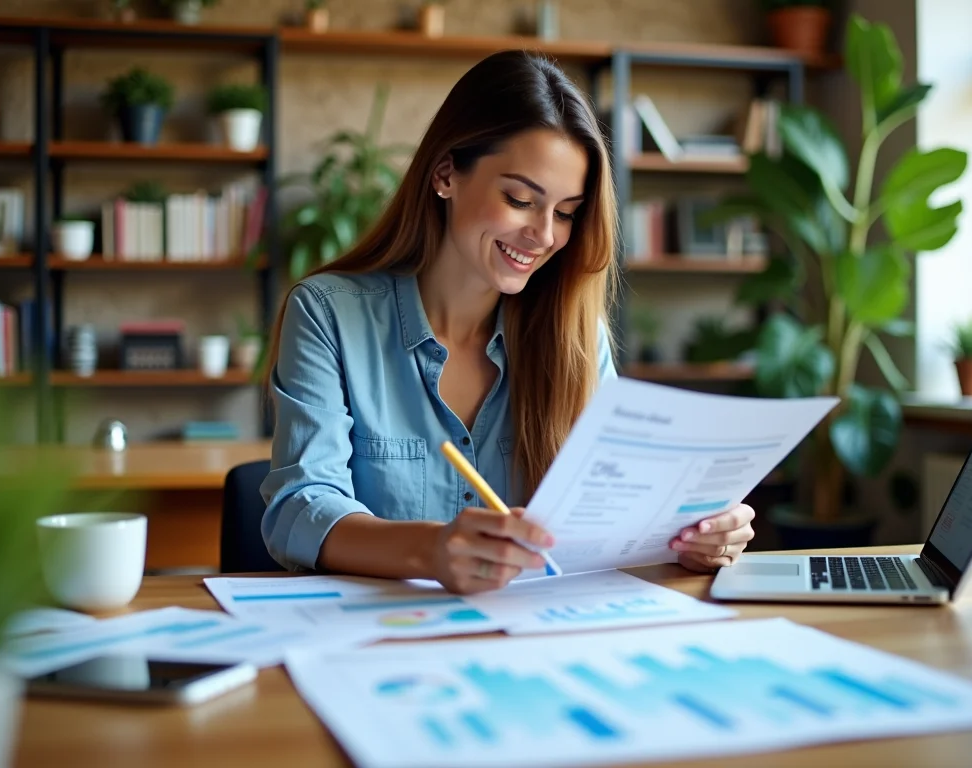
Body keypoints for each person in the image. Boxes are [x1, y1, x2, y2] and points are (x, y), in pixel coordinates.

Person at [260, 50, 755, 594]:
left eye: (566, 212)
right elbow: (299, 509)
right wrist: (432, 550)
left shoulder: (575, 338)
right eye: (520, 199)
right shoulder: (328, 313)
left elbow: (618, 510)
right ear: (446, 173)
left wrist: (697, 535)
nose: (544, 235)